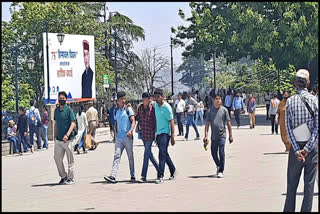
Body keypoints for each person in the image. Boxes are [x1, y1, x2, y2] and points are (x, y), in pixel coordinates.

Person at [283, 69, 318, 212]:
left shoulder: (290, 101)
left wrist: (297, 150)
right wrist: (308, 148)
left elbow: (288, 128)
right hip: (311, 148)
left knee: (292, 184)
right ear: (308, 83)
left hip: (296, 146)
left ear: (296, 83)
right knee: (308, 185)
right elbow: (317, 128)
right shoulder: (315, 100)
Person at [104, 91, 136, 183]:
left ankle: (132, 176)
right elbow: (115, 122)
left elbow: (133, 121)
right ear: (117, 100)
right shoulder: (115, 111)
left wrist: (130, 130)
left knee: (130, 156)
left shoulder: (128, 110)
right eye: (121, 99)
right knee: (116, 156)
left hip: (127, 137)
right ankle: (113, 176)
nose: (123, 100)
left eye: (124, 99)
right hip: (119, 138)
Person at [204, 93, 233, 178]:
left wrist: (230, 135)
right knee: (213, 153)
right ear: (213, 100)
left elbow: (228, 123)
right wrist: (206, 135)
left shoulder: (224, 110)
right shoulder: (210, 111)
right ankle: (218, 165)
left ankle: (221, 171)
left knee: (221, 152)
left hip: (222, 135)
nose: (218, 100)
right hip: (214, 136)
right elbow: (207, 124)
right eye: (216, 99)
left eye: (219, 99)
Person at [153, 88, 177, 184]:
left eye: (158, 97)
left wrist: (172, 136)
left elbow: (171, 121)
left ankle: (160, 175)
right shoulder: (155, 105)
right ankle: (173, 169)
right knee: (164, 153)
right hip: (158, 133)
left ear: (162, 97)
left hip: (165, 133)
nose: (157, 99)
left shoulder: (166, 107)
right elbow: (147, 103)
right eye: (156, 97)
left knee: (161, 154)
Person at [135, 92, 160, 182]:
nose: (146, 101)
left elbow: (155, 121)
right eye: (144, 99)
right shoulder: (140, 108)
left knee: (146, 155)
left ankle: (143, 175)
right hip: (143, 135)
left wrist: (156, 134)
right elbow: (137, 117)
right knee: (150, 155)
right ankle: (160, 170)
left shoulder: (153, 108)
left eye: (147, 99)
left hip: (150, 135)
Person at [53, 91, 77, 185]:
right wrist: (54, 136)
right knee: (57, 158)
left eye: (63, 98)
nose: (61, 100)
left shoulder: (69, 110)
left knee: (70, 159)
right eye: (60, 98)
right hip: (58, 139)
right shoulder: (56, 110)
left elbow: (73, 123)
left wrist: (67, 135)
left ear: (66, 99)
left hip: (68, 139)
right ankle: (63, 176)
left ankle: (71, 178)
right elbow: (55, 124)